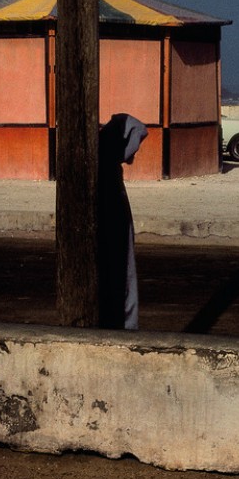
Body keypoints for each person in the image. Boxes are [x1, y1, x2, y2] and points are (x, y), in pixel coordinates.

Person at [97, 113, 147, 329]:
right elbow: (138, 127)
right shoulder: (108, 161)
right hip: (113, 211)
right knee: (121, 269)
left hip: (110, 210)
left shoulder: (103, 155)